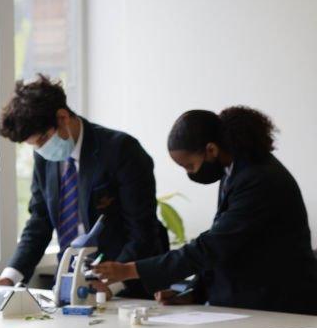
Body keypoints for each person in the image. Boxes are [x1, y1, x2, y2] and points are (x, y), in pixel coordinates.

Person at [95, 107, 317, 315]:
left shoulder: (259, 180)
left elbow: (214, 245)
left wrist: (130, 270)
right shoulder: (234, 171)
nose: (190, 173)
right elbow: (226, 247)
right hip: (251, 303)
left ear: (211, 150)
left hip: (278, 305)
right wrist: (195, 292)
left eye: (190, 166)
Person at [0, 75, 167, 297]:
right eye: (33, 146)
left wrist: (113, 282)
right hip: (70, 283)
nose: (40, 150)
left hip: (127, 288)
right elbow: (40, 221)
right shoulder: (44, 158)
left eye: (42, 140)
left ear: (63, 117)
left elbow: (142, 232)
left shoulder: (121, 150)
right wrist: (9, 277)